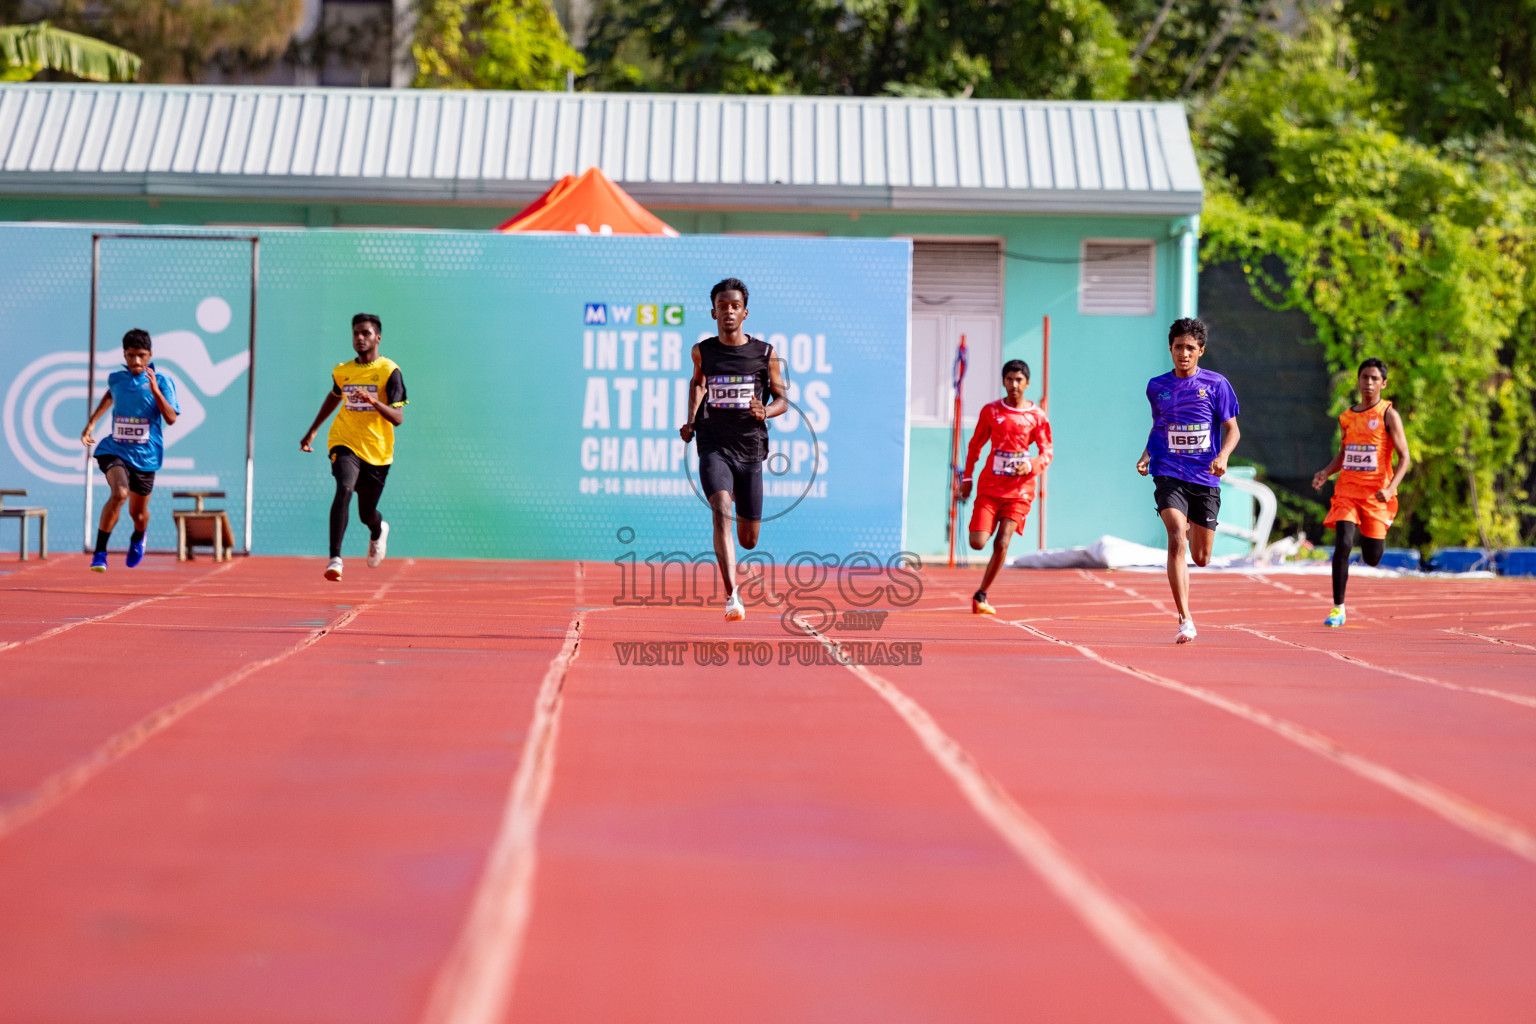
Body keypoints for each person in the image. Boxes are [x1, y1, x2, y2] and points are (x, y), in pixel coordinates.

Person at [678, 278, 789, 621]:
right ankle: (732, 596)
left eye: (734, 306)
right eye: (722, 306)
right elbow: (698, 384)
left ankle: (739, 490)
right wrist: (691, 421)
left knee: (749, 540)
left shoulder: (766, 354)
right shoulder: (703, 351)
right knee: (720, 507)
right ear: (713, 312)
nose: (728, 311)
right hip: (713, 443)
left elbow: (783, 400)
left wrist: (765, 411)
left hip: (750, 449)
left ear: (745, 313)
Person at [1136, 318, 1240, 644]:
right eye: (1178, 347)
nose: (1184, 353)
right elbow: (1160, 427)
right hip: (1169, 472)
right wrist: (1147, 454)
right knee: (1175, 537)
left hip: (1205, 477)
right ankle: (1185, 619)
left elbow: (1233, 430)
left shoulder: (1217, 385)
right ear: (1170, 349)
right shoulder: (1156, 386)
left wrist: (1222, 457)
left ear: (1201, 351)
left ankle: (1196, 523)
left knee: (1202, 558)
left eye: (1190, 348)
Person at [300, 313, 407, 582]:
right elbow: (334, 396)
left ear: (377, 338)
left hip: (378, 451)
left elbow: (397, 419)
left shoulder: (389, 372)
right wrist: (313, 429)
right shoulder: (343, 371)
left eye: (366, 333)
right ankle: (335, 559)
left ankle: (377, 530)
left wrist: (373, 401)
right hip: (345, 441)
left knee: (366, 513)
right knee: (344, 487)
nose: (360, 338)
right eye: (356, 333)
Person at [1310, 358, 1411, 627]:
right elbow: (1345, 454)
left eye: (1374, 378)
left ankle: (1374, 536)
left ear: (1383, 383)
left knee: (1372, 557)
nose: (1368, 382)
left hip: (1377, 496)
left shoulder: (1388, 415)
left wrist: (1390, 489)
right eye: (1364, 377)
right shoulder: (1347, 417)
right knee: (1342, 544)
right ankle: (1338, 608)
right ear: (1358, 380)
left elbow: (1405, 458)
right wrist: (1325, 472)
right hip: (1347, 492)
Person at [80, 328, 180, 572]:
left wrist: (155, 390)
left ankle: (139, 535)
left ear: (150, 355)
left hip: (146, 457)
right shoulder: (117, 378)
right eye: (131, 355)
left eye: (141, 356)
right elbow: (109, 395)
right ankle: (100, 552)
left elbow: (171, 418)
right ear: (124, 355)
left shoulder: (164, 381)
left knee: (138, 513)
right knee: (120, 493)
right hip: (115, 449)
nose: (136, 361)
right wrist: (92, 423)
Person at [958, 359, 1053, 615]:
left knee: (1002, 541)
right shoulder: (991, 411)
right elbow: (975, 446)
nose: (1014, 385)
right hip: (990, 487)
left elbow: (1047, 451)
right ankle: (985, 524)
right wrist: (966, 479)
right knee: (978, 542)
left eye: (1019, 380)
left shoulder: (1036, 416)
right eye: (1009, 379)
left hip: (1020, 490)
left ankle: (981, 594)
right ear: (1003, 381)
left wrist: (1031, 465)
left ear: (1027, 383)